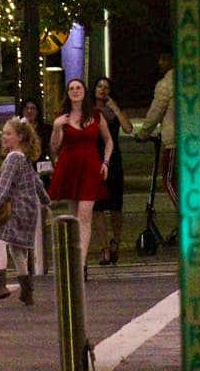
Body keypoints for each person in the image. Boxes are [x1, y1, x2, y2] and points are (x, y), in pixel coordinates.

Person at [0, 117, 50, 305]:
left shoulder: (12, 159)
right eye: (3, 133)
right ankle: (27, 291)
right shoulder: (25, 158)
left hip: (15, 208)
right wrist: (46, 201)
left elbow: (4, 188)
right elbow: (37, 182)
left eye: (8, 133)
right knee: (16, 248)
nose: (3, 137)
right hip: (29, 209)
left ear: (19, 137)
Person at [47, 78, 112, 272]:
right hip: (70, 166)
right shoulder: (62, 117)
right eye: (71, 89)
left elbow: (108, 141)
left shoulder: (96, 115)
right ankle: (76, 256)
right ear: (67, 93)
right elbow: (54, 146)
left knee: (85, 214)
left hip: (90, 166)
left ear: (84, 91)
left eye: (78, 88)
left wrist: (106, 162)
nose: (75, 91)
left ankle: (80, 262)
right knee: (74, 216)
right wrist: (57, 127)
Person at [91, 77, 132, 266]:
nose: (102, 90)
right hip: (94, 159)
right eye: (99, 86)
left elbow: (128, 128)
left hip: (113, 160)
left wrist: (114, 107)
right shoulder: (89, 111)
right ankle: (104, 247)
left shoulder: (114, 111)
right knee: (97, 207)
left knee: (116, 205)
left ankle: (116, 240)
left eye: (106, 87)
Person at [135, 52, 177, 216]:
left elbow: (155, 112)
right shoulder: (188, 82)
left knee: (169, 180)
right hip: (192, 138)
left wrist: (143, 134)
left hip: (174, 140)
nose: (160, 63)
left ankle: (188, 216)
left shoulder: (166, 84)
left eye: (163, 58)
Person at [20, 98, 55, 187]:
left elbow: (52, 150)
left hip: (43, 169)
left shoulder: (47, 129)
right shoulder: (18, 129)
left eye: (33, 108)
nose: (29, 111)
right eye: (26, 108)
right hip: (23, 167)